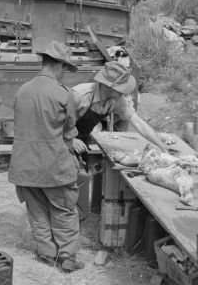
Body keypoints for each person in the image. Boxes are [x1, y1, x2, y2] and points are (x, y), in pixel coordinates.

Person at [8, 41, 84, 272]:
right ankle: (68, 259)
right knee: (64, 212)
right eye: (65, 69)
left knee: (37, 212)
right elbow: (69, 131)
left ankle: (47, 255)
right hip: (54, 167)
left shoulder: (23, 90)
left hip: (24, 166)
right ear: (59, 66)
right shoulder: (63, 94)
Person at [71, 61, 167, 221]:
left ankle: (78, 219)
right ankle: (65, 222)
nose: (124, 92)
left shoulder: (116, 100)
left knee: (84, 176)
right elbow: (54, 121)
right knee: (71, 180)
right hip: (64, 139)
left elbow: (139, 123)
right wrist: (71, 140)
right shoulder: (79, 95)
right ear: (109, 86)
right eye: (121, 88)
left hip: (82, 139)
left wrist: (161, 145)